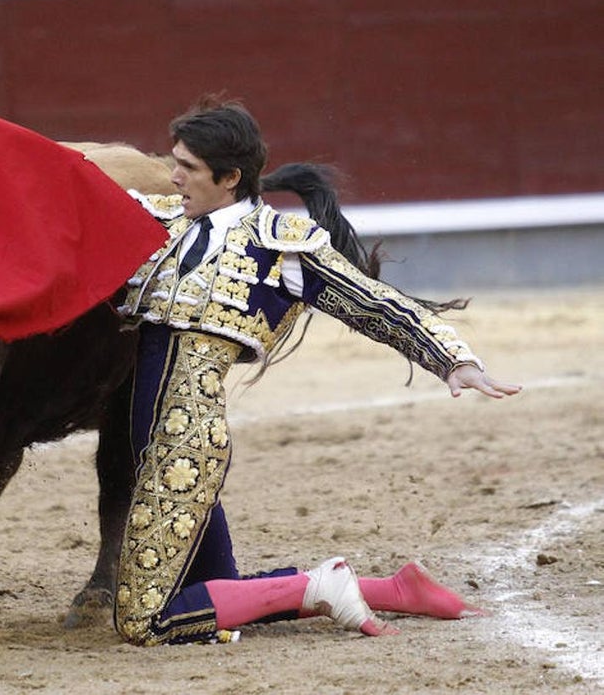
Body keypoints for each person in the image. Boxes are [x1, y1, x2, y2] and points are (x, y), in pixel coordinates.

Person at [113, 96, 522, 646]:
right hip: (154, 443)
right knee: (218, 591)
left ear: (230, 178)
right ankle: (394, 590)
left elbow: (374, 304)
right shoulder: (159, 220)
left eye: (187, 167)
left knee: (144, 622)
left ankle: (320, 585)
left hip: (185, 450)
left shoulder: (281, 245)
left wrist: (453, 359)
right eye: (174, 162)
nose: (173, 176)